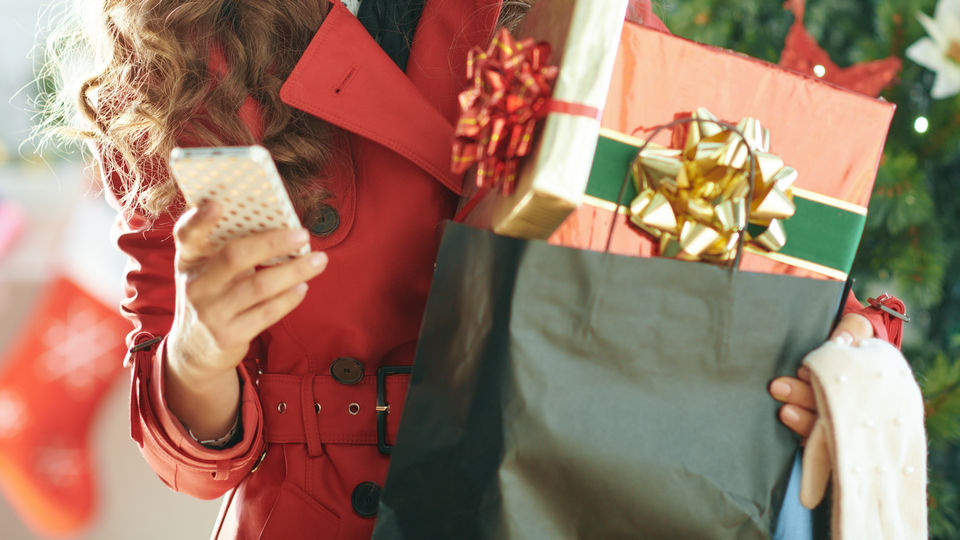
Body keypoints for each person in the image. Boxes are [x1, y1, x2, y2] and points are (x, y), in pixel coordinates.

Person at [50, 0, 905, 538]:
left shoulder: (574, 11)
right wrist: (199, 356)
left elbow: (687, 214)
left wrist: (842, 345)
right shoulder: (183, 42)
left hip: (537, 499)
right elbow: (187, 457)